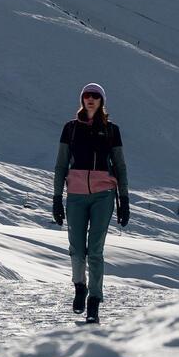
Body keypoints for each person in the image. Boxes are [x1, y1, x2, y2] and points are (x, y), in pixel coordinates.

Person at [51, 82, 131, 323]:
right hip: (75, 195)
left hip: (103, 195)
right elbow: (61, 164)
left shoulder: (112, 130)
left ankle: (94, 301)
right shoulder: (71, 129)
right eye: (87, 95)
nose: (91, 99)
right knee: (77, 248)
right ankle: (79, 287)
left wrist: (124, 200)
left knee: (95, 250)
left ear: (102, 101)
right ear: (82, 100)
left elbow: (120, 165)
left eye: (95, 96)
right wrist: (56, 197)